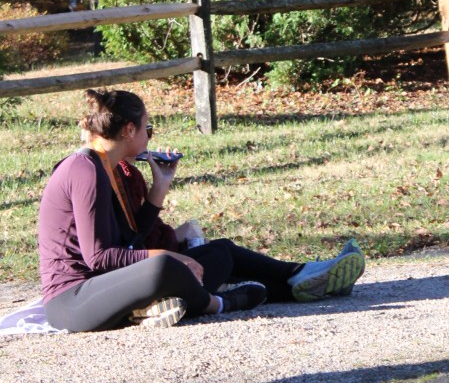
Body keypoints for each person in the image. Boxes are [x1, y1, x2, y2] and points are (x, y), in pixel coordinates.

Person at [38, 88, 365, 333]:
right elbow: (98, 257)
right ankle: (219, 303)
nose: (149, 137)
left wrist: (160, 186)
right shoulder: (85, 170)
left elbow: (131, 241)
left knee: (220, 251)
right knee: (165, 265)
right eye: (147, 128)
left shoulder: (108, 169)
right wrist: (170, 256)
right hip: (74, 301)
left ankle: (302, 280)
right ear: (128, 131)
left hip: (107, 285)